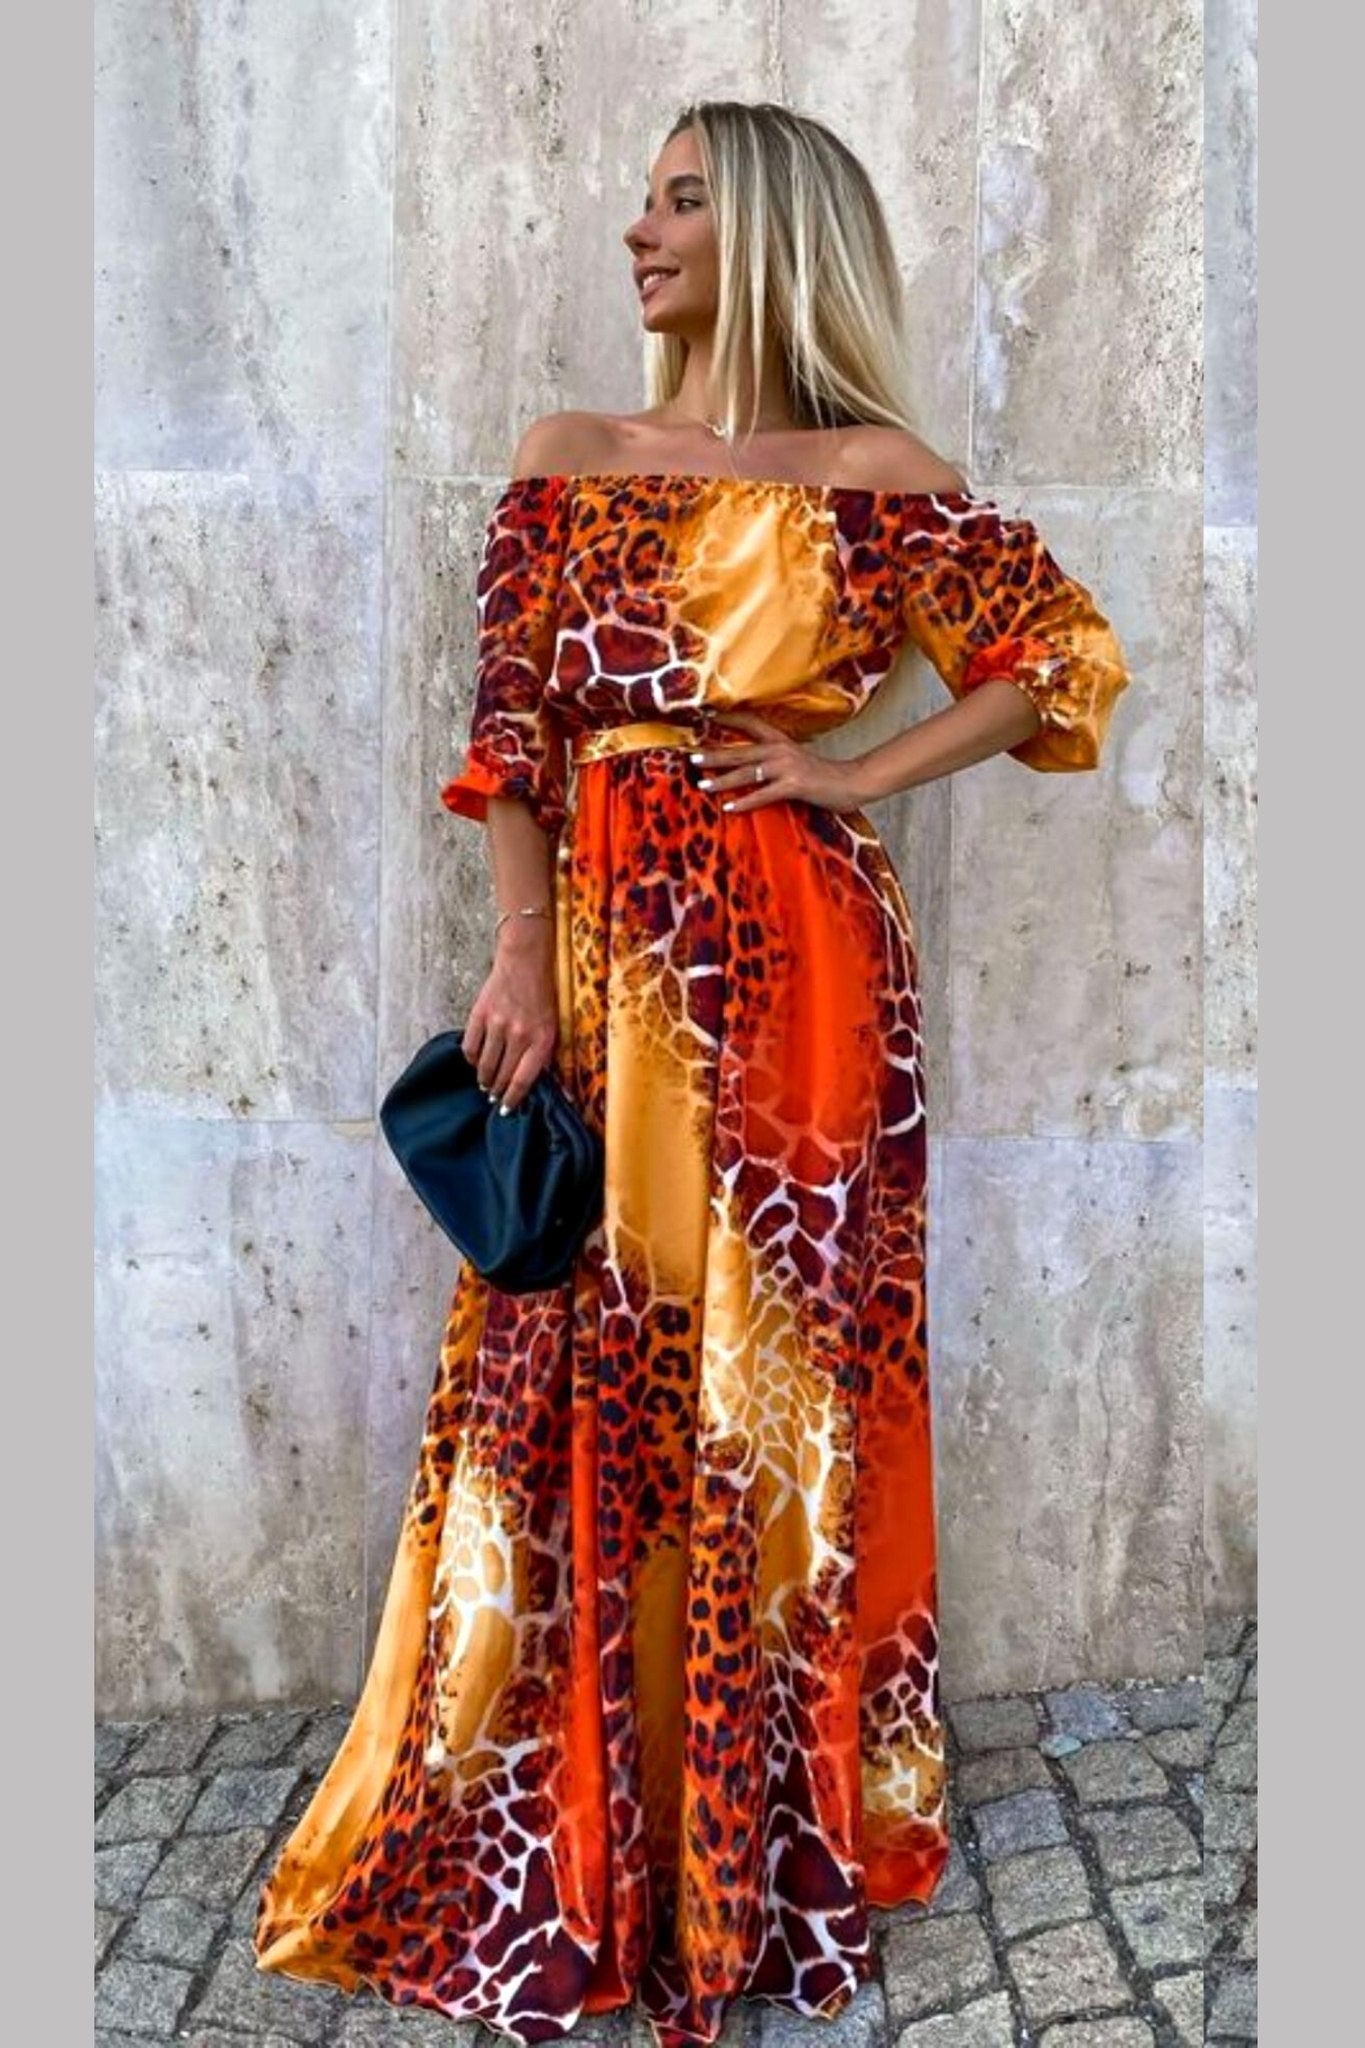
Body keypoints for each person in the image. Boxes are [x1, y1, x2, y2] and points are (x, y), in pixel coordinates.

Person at [253, 99, 1131, 2048]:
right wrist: (518, 952)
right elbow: (511, 730)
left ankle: (758, 1832)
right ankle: (580, 1824)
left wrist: (846, 769)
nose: (635, 231)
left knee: (780, 1399)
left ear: (773, 235)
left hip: (810, 991)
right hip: (604, 976)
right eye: (636, 200)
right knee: (577, 1353)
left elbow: (1055, 660)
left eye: (677, 201)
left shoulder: (874, 476)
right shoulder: (568, 455)